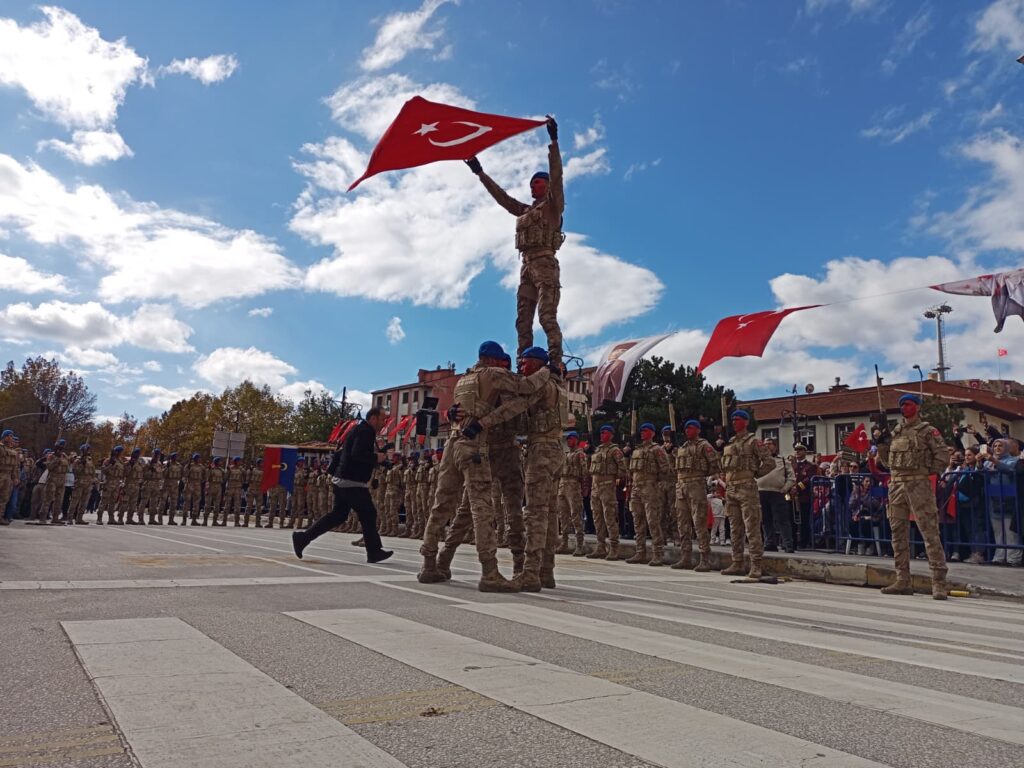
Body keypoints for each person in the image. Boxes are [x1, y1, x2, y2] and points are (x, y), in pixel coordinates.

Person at [418, 342, 552, 591]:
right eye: (504, 362)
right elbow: (525, 390)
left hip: (460, 444)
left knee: (443, 506)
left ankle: (431, 564)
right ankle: (489, 572)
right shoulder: (495, 375)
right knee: (481, 510)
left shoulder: (464, 380)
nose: (509, 367)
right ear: (493, 360)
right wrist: (548, 370)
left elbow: (466, 409)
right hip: (480, 446)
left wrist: (453, 415)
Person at [466, 117, 564, 363]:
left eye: (537, 183)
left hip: (545, 264)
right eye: (531, 184)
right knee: (523, 321)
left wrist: (554, 142)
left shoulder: (553, 207)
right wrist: (480, 173)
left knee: (546, 316)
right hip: (526, 266)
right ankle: (523, 361)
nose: (532, 187)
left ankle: (555, 360)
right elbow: (503, 198)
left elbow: (557, 175)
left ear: (547, 186)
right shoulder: (525, 211)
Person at [875, 393, 952, 598]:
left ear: (917, 407)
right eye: (902, 405)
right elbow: (887, 463)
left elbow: (943, 456)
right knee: (898, 533)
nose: (904, 408)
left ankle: (938, 582)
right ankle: (902, 579)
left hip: (918, 484)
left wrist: (925, 472)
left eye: (908, 404)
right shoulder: (896, 432)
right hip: (896, 485)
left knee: (929, 532)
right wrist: (882, 443)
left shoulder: (927, 431)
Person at [292, 408, 392, 563]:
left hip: (344, 480)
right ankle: (374, 552)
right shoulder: (365, 431)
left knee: (338, 515)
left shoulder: (360, 430)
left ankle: (303, 538)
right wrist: (375, 457)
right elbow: (357, 454)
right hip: (352, 482)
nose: (383, 423)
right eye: (382, 419)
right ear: (373, 418)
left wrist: (381, 460)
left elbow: (351, 453)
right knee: (368, 513)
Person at [721, 410, 774, 579]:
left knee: (752, 527)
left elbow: (769, 462)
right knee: (735, 528)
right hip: (731, 488)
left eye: (737, 420)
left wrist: (754, 474)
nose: (734, 422)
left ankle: (756, 564)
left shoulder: (753, 442)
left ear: (745, 422)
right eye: (732, 420)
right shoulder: (730, 442)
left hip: (746, 487)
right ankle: (737, 562)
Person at [673, 419, 722, 570]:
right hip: (681, 486)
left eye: (691, 428)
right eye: (686, 428)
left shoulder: (704, 445)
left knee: (699, 523)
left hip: (696, 485)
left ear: (698, 430)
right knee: (682, 523)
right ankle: (685, 557)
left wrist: (702, 474)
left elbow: (715, 465)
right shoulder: (683, 447)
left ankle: (704, 558)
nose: (688, 431)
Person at [626, 423, 673, 566]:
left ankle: (657, 553)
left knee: (653, 521)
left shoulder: (657, 449)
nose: (642, 433)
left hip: (650, 487)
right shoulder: (637, 450)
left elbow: (666, 470)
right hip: (637, 488)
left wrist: (659, 486)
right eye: (641, 431)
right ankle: (640, 551)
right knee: (638, 520)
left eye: (645, 431)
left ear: (652, 433)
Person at [588, 425, 628, 560]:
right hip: (595, 487)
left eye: (605, 433)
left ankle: (614, 547)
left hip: (607, 486)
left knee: (609, 517)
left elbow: (622, 468)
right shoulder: (598, 450)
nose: (602, 435)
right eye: (601, 433)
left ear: (611, 435)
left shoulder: (615, 450)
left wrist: (616, 480)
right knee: (597, 517)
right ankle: (600, 546)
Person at [757, 438, 795, 553]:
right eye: (765, 444)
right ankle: (770, 543)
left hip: (777, 492)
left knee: (782, 519)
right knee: (765, 519)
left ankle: (788, 544)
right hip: (761, 492)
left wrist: (785, 488)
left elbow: (791, 477)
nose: (767, 446)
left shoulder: (783, 460)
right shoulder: (758, 460)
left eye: (769, 444)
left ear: (775, 446)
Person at [555, 431, 588, 556]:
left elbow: (585, 472)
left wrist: (584, 487)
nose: (569, 441)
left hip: (574, 485)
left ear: (576, 440)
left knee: (575, 514)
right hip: (563, 484)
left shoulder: (580, 454)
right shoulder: (566, 455)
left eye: (571, 439)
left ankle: (580, 544)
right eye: (568, 439)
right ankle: (564, 542)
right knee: (563, 515)